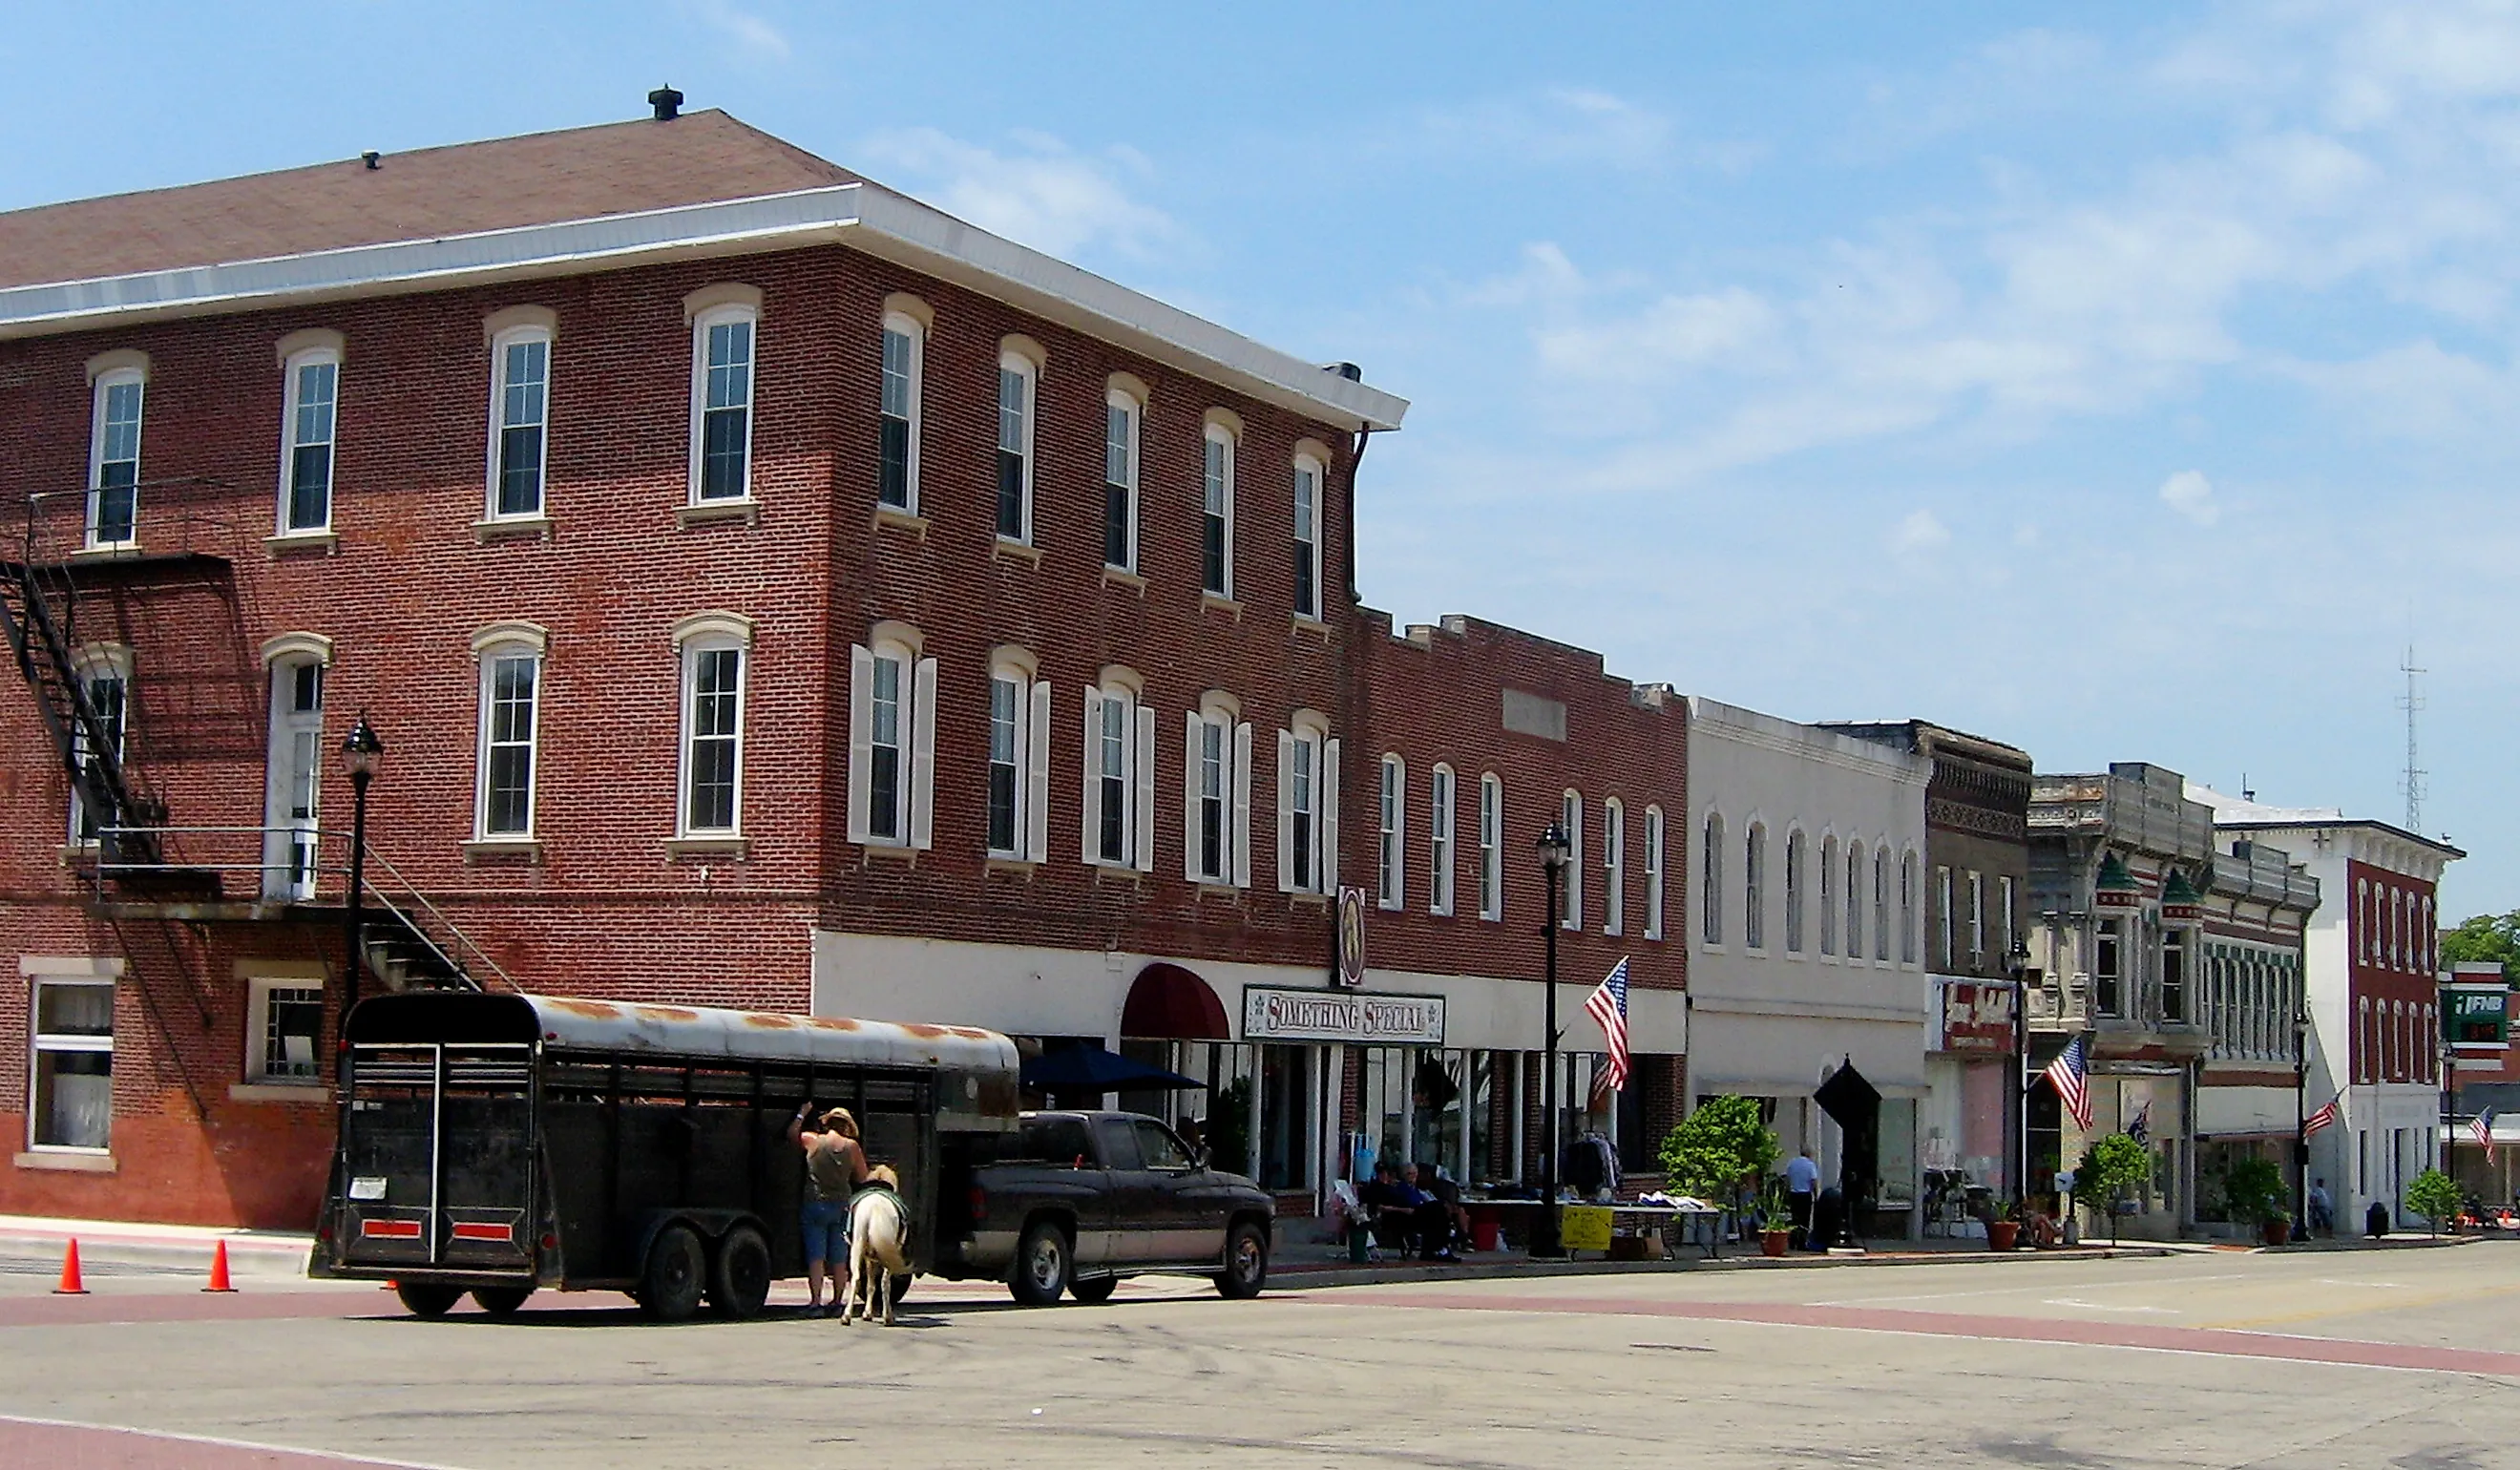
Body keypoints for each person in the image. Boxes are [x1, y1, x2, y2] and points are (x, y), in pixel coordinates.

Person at [788, 1102, 869, 1316]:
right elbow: (862, 1177)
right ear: (846, 1126)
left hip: (814, 1204)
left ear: (828, 1123)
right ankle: (837, 1302)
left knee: (816, 1257)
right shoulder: (852, 1147)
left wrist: (801, 1113)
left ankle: (815, 1303)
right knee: (839, 1258)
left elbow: (792, 1134)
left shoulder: (813, 1141)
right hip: (841, 1206)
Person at [1785, 1149, 1820, 1250]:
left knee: (1795, 1219)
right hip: (1805, 1194)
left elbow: (1787, 1179)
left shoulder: (1793, 1163)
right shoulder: (1810, 1165)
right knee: (1805, 1220)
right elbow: (1813, 1181)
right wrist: (1816, 1194)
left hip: (1794, 1194)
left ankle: (1792, 1242)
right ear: (1809, 1154)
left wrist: (1789, 1191)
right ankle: (1801, 1243)